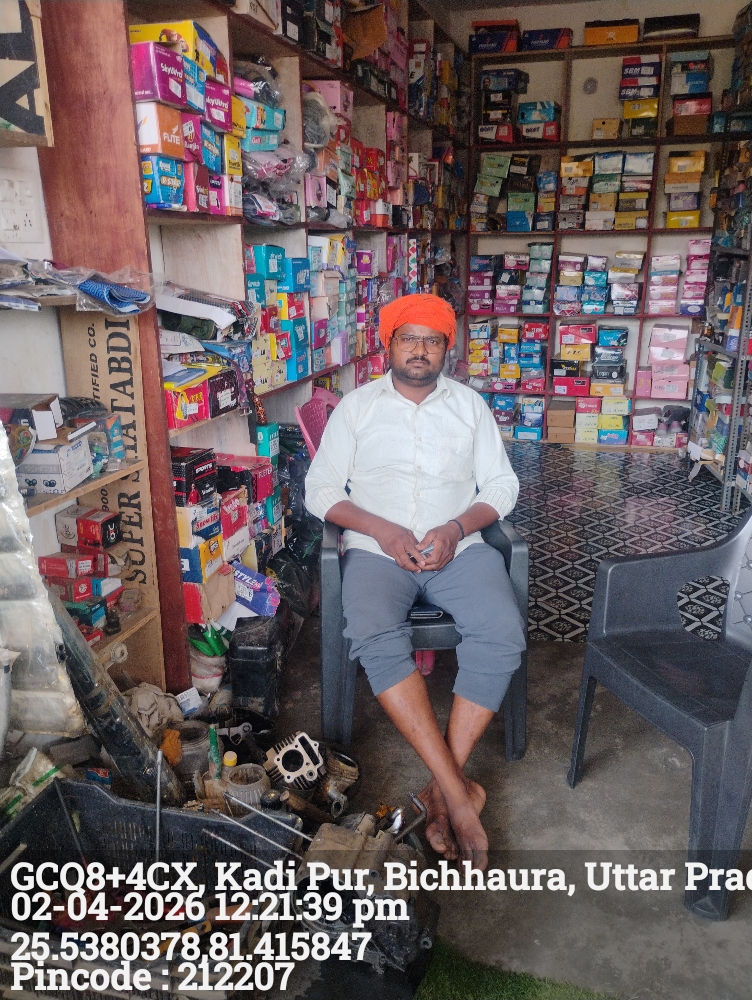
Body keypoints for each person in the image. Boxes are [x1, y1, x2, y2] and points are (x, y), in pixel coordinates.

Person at [305, 293, 525, 869]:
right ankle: (459, 795)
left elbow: (501, 486)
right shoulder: (357, 408)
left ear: (447, 348)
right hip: (377, 553)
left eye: (432, 340)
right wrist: (382, 530)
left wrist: (455, 528)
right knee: (374, 632)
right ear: (389, 345)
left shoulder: (470, 406)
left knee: (501, 631)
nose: (420, 350)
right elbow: (320, 490)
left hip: (459, 549)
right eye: (409, 338)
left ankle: (442, 793)